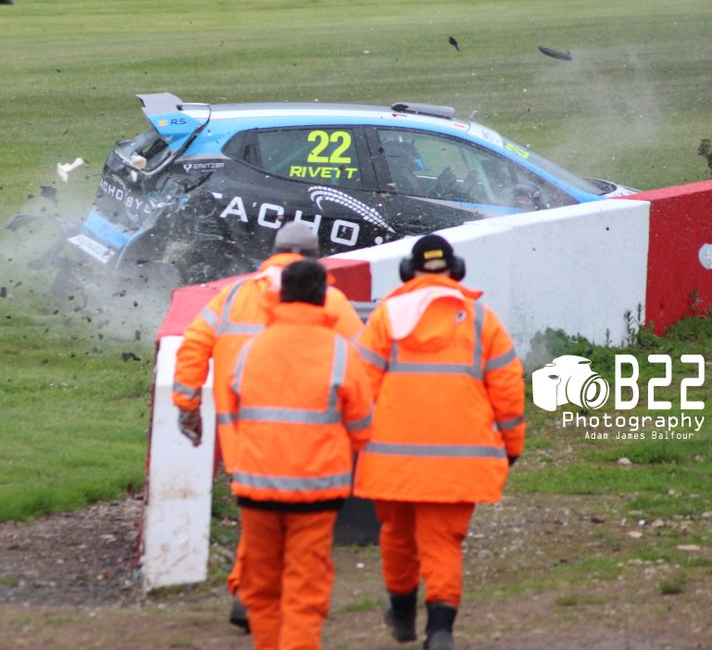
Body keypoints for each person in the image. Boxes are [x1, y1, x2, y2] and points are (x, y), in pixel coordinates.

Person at [171, 220, 363, 629]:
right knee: (301, 536)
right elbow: (362, 363)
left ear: (272, 251)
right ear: (315, 259)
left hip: (244, 431)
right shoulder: (330, 299)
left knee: (259, 517)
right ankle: (275, 604)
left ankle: (250, 595)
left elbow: (193, 345)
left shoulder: (234, 294)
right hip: (313, 441)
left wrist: (187, 405)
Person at [352, 234, 525, 650]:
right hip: (459, 460)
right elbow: (508, 389)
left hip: (391, 460)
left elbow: (358, 387)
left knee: (397, 536)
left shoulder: (385, 318)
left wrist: (356, 442)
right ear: (457, 270)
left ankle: (402, 612)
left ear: (408, 272)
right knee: (443, 543)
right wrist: (512, 444)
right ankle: (440, 630)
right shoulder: (482, 320)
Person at [225, 259, 373, 650]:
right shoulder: (341, 353)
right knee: (305, 586)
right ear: (324, 297)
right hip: (316, 490)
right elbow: (362, 425)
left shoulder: (252, 348)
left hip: (257, 488)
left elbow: (236, 409)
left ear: (281, 296)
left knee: (261, 586)